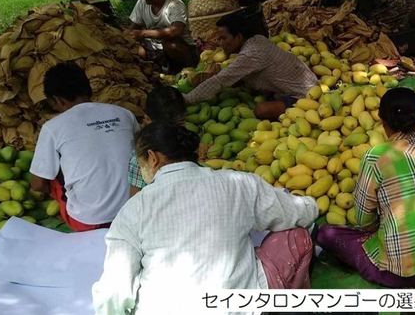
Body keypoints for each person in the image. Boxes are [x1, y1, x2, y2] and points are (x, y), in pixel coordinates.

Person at [92, 122, 319, 315]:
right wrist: (311, 204)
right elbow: (299, 213)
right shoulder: (239, 184)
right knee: (296, 235)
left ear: (152, 158)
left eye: (140, 163)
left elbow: (115, 290)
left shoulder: (134, 209)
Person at [316, 88, 415, 288]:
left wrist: (380, 226)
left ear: (383, 121)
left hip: (400, 274)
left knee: (326, 233)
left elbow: (364, 219)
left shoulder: (376, 156)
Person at [29, 63, 139, 232]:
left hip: (89, 220)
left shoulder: (53, 127)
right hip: (136, 209)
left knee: (49, 173)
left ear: (57, 100)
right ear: (90, 89)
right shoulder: (123, 114)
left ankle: (70, 209)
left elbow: (37, 185)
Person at [184, 12, 318, 120]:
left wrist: (186, 100)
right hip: (298, 86)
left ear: (239, 37)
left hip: (306, 96)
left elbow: (220, 81)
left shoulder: (251, 54)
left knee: (261, 110)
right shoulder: (257, 39)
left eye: (224, 38)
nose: (220, 43)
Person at [127, 0, 199, 74]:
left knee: (171, 45)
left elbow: (176, 31)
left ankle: (192, 71)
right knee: (135, 49)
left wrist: (143, 33)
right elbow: (133, 29)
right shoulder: (142, 2)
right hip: (156, 49)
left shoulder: (175, 5)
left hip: (183, 50)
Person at [128, 85, 187, 197]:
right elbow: (135, 200)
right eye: (165, 127)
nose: (172, 133)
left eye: (180, 124)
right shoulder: (141, 158)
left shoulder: (190, 148)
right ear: (147, 120)